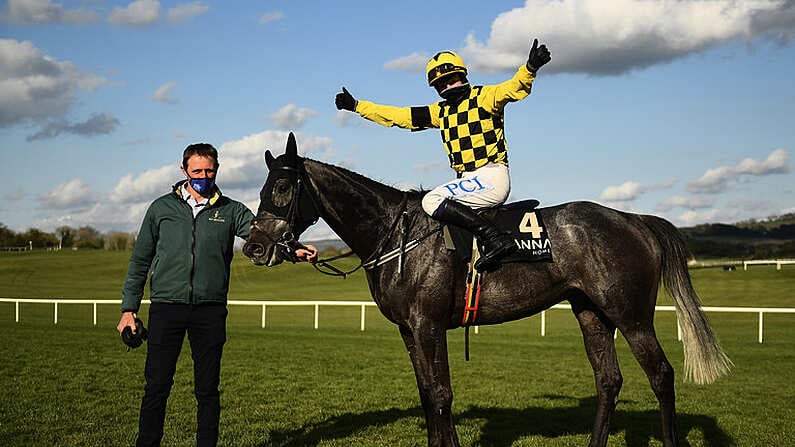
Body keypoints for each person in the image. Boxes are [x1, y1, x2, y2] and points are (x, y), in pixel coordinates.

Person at [117, 143, 317, 446]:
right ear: (183, 170)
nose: (203, 176)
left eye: (209, 170)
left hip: (209, 312)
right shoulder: (161, 209)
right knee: (156, 386)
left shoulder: (231, 210)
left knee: (207, 390)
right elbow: (140, 261)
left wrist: (294, 249)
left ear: (217, 170)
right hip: (166, 309)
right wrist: (128, 310)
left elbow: (261, 235)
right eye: (196, 170)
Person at [335, 38, 550, 271]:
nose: (446, 85)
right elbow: (398, 116)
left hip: (491, 177)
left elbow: (513, 87)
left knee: (431, 200)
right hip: (467, 180)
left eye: (450, 79)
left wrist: (530, 68)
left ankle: (497, 240)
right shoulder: (440, 112)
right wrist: (357, 106)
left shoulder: (486, 97)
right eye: (440, 83)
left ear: (463, 74)